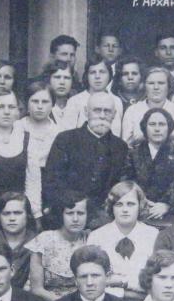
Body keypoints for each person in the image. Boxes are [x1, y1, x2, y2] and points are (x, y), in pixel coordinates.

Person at [41, 91, 129, 228]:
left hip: (104, 220)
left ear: (114, 114)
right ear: (86, 111)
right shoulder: (66, 139)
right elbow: (52, 182)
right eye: (97, 110)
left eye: (107, 111)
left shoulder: (120, 147)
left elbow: (119, 187)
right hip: (67, 215)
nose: (102, 115)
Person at [87, 181, 157, 300]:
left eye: (131, 204)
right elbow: (92, 281)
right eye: (119, 204)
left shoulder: (153, 235)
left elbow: (156, 282)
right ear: (111, 207)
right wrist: (125, 292)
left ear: (140, 206)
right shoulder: (96, 237)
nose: (125, 209)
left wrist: (120, 282)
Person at [129, 107, 174, 221]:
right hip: (138, 210)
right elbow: (127, 181)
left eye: (162, 124)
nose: (157, 129)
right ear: (145, 128)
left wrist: (167, 205)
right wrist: (141, 201)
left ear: (169, 128)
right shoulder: (133, 153)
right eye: (152, 124)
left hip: (170, 213)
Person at [0, 90, 38, 204]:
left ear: (17, 111)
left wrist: (34, 210)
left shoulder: (27, 139)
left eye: (11, 107)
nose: (6, 112)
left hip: (18, 207)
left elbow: (33, 182)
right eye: (0, 107)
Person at [25, 193, 88, 301]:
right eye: (70, 213)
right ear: (60, 214)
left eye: (81, 213)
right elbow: (37, 289)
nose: (75, 219)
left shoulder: (91, 239)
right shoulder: (44, 240)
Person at [19, 79, 59, 218]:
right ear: (27, 103)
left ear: (52, 104)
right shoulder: (17, 128)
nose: (40, 106)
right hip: (20, 185)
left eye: (45, 102)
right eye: (35, 101)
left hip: (48, 189)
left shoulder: (59, 133)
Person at [121, 65, 174, 146]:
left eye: (161, 83)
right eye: (151, 83)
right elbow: (125, 144)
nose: (156, 87)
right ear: (144, 86)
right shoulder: (132, 111)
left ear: (169, 86)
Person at [67, 58, 123, 136]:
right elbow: (68, 134)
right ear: (87, 76)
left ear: (109, 75)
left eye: (102, 72)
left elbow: (117, 133)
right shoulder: (75, 101)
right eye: (92, 72)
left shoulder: (116, 101)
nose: (97, 76)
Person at [45, 60, 81, 132]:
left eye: (67, 78)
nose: (62, 82)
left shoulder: (78, 107)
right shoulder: (42, 106)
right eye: (57, 77)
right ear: (49, 80)